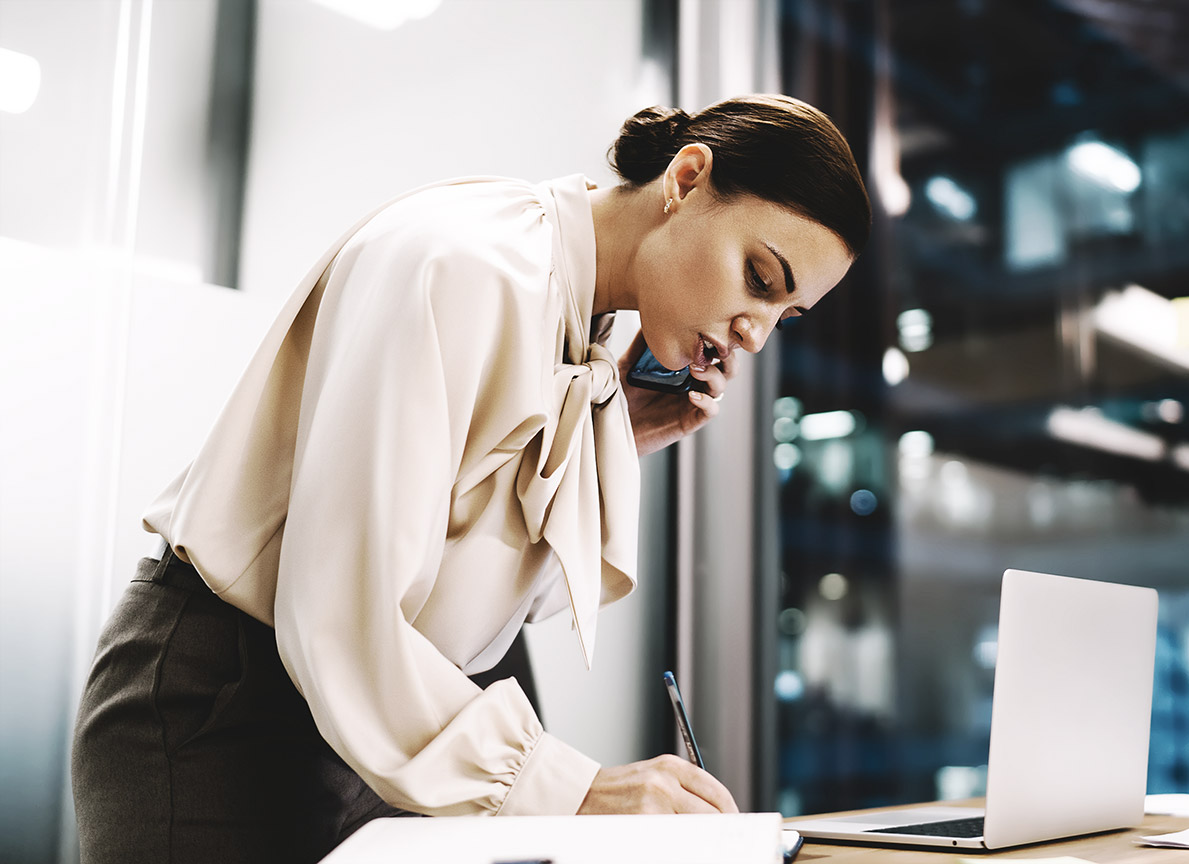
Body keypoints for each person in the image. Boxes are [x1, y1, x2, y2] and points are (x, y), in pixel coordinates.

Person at [71, 93, 870, 864]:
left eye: (784, 315)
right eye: (760, 279)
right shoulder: (468, 266)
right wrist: (577, 789)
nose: (754, 335)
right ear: (687, 180)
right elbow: (341, 611)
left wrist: (615, 431)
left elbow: (484, 592)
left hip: (378, 718)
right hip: (226, 710)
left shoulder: (574, 317)